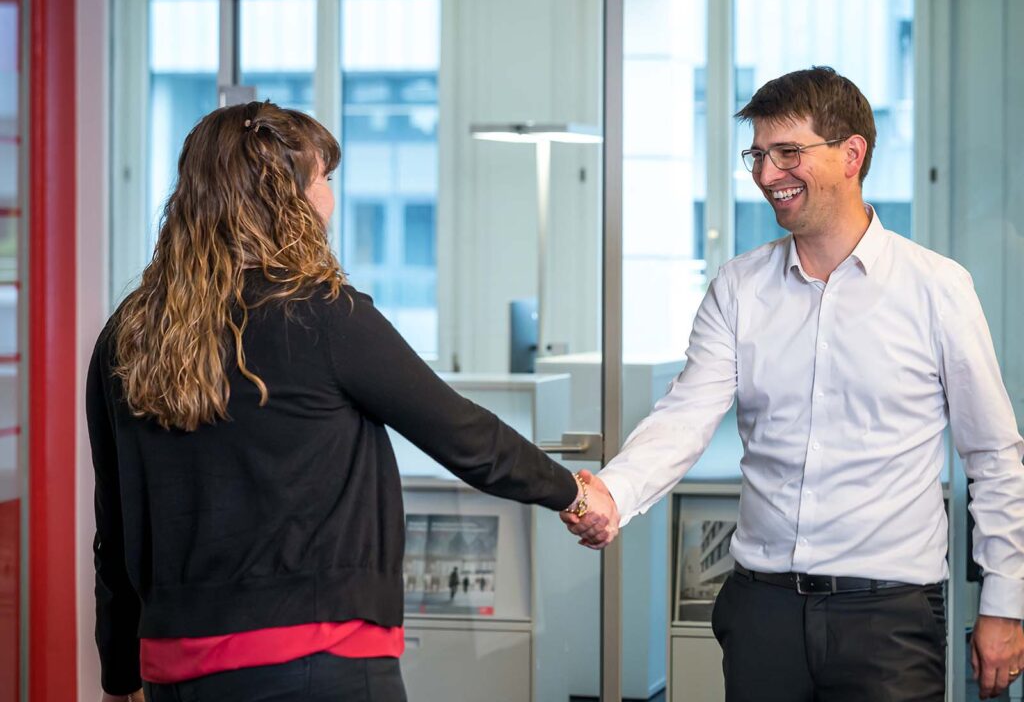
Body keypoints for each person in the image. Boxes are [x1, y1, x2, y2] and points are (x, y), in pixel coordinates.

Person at [89, 101, 592, 702]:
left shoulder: (130, 333)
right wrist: (576, 494)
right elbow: (463, 435)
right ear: (285, 200)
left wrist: (119, 674)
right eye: (322, 179)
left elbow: (114, 526)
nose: (329, 198)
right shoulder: (320, 314)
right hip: (315, 657)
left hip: (176, 666)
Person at [562, 67, 1024, 701]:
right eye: (758, 155)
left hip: (889, 618)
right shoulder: (737, 287)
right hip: (763, 611)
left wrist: (1005, 600)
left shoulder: (938, 289)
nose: (766, 174)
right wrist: (613, 491)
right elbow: (684, 417)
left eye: (788, 152)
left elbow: (994, 456)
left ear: (852, 154)